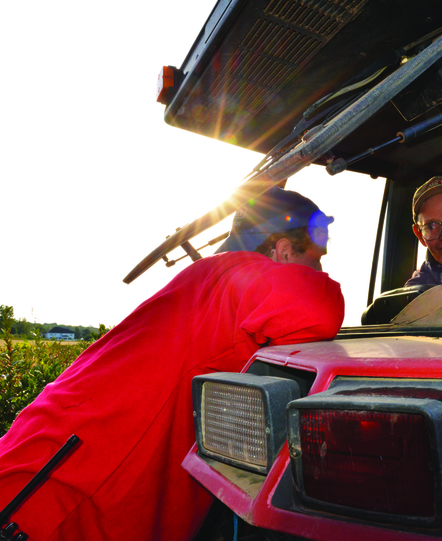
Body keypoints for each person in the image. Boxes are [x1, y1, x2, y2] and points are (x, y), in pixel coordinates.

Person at [0, 188, 344, 541]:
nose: (321, 272)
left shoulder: (211, 280)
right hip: (58, 498)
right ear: (284, 251)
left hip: (64, 472)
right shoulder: (235, 277)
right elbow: (316, 307)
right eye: (316, 262)